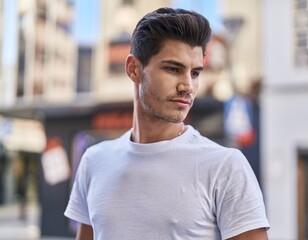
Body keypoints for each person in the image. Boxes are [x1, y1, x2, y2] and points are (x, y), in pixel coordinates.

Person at [64, 7, 270, 240]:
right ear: (134, 69)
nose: (187, 86)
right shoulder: (94, 162)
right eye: (173, 69)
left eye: (195, 73)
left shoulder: (225, 167)